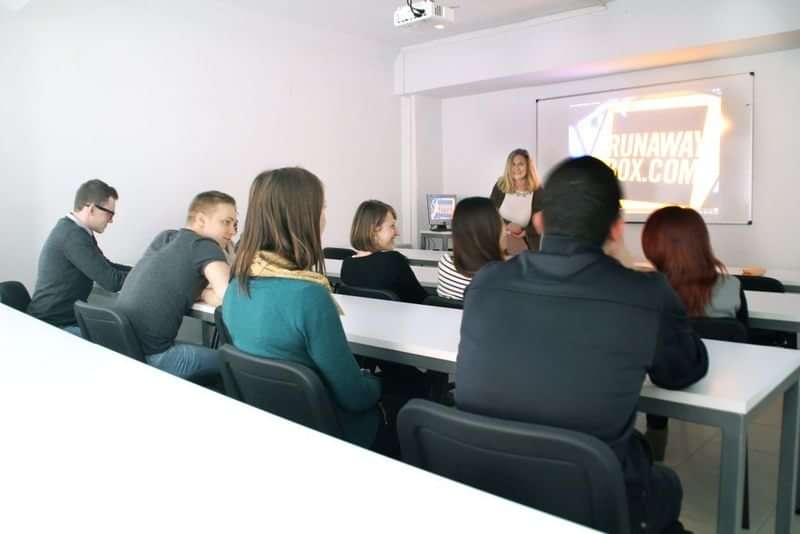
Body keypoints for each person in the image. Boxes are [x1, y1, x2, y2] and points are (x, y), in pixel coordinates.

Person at [457, 156, 708, 534]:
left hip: (483, 491)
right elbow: (683, 371)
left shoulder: (486, 283)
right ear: (617, 228)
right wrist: (625, 264)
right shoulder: (646, 293)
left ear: (539, 222)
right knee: (665, 483)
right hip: (588, 499)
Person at [222, 168, 385, 450]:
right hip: (335, 432)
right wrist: (378, 381)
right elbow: (355, 396)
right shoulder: (309, 296)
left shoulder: (237, 286)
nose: (324, 217)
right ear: (303, 217)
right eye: (322, 208)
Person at [641, 205, 748, 460]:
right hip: (726, 393)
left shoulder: (645, 291)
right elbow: (746, 344)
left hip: (660, 385)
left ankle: (655, 445)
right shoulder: (732, 286)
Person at [115, 191, 235, 379]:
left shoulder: (165, 237)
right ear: (201, 220)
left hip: (124, 350)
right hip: (156, 358)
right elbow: (231, 298)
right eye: (226, 222)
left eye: (234, 224)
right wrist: (204, 293)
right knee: (236, 364)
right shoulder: (205, 246)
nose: (233, 231)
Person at [28, 179, 131, 335]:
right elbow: (112, 281)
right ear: (91, 209)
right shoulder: (73, 236)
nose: (111, 220)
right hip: (50, 325)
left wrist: (142, 269)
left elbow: (106, 266)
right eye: (109, 214)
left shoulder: (75, 230)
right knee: (116, 341)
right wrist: (144, 276)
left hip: (65, 319)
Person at [341, 200, 428, 304]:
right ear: (374, 229)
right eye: (392, 226)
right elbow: (421, 299)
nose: (397, 232)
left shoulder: (347, 264)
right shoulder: (393, 260)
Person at [436, 197, 505, 301]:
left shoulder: (445, 262)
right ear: (489, 230)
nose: (506, 228)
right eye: (501, 221)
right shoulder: (503, 276)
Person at [489, 148, 543, 255]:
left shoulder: (538, 191)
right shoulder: (500, 186)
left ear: (528, 166)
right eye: (513, 164)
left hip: (527, 250)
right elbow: (490, 212)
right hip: (498, 247)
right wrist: (508, 224)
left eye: (521, 164)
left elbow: (542, 222)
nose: (516, 168)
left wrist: (525, 231)